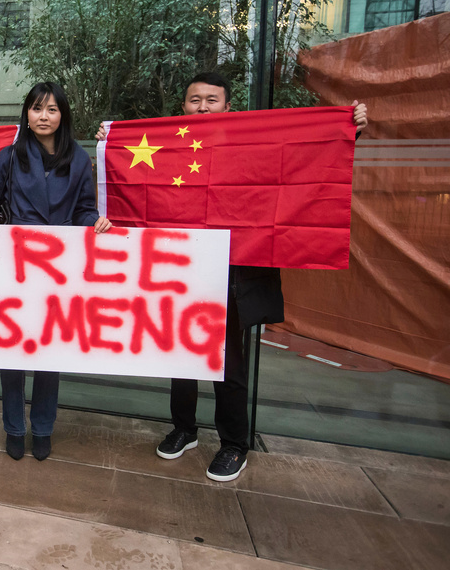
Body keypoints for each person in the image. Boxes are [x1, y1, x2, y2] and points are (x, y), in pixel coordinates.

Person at [97, 71, 368, 481]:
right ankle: (184, 429)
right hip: (181, 272)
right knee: (181, 355)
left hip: (235, 274)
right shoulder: (168, 147)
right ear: (183, 106)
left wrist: (349, 130)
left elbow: (305, 156)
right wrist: (109, 143)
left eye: (211, 100)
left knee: (230, 363)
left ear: (228, 107)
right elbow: (133, 180)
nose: (202, 107)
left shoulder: (252, 145)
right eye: (194, 100)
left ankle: (233, 444)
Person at [0, 81, 112, 461]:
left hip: (60, 267)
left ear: (62, 115)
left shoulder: (79, 160)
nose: (44, 116)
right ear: (27, 114)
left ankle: (44, 428)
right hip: (15, 265)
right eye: (36, 109)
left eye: (51, 109)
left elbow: (84, 208)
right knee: (12, 352)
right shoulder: (10, 155)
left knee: (51, 353)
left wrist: (95, 221)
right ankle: (14, 428)